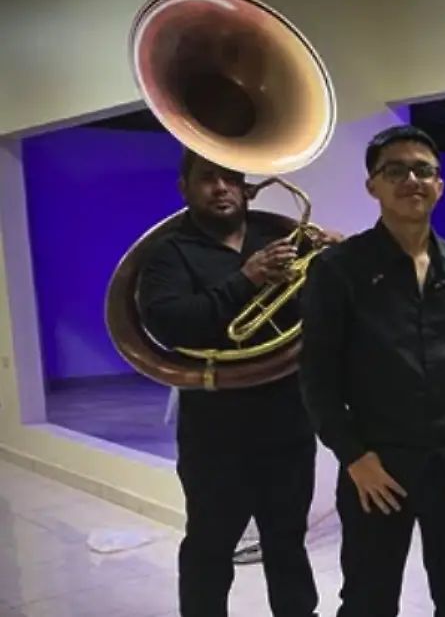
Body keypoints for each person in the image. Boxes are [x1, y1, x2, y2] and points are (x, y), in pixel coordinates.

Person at [300, 124, 445, 617]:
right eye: (395, 171)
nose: (411, 180)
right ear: (372, 185)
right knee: (368, 602)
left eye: (423, 170)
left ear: (440, 184)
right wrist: (354, 457)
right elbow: (317, 375)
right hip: (377, 468)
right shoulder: (337, 269)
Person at [138, 150, 332, 617]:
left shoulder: (279, 238)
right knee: (210, 545)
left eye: (230, 177)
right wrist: (245, 279)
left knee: (288, 542)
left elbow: (322, 314)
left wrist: (336, 263)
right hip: (214, 428)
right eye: (207, 178)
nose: (221, 187)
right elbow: (171, 324)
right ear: (184, 188)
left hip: (287, 419)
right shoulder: (169, 253)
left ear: (246, 187)